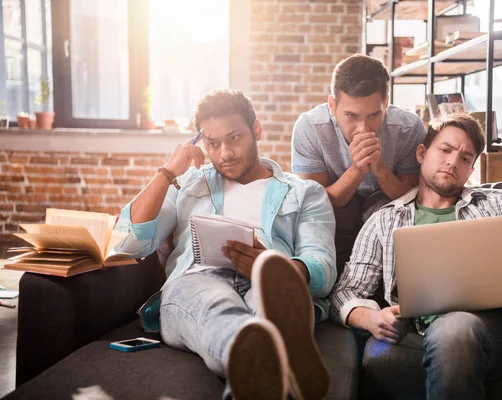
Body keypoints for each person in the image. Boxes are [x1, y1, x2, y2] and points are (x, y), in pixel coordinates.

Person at [330, 113, 502, 399]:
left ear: (471, 169)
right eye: (445, 150)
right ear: (422, 153)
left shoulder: (497, 202)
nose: (452, 162)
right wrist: (369, 318)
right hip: (461, 330)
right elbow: (345, 292)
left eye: (465, 158)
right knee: (454, 331)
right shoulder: (386, 220)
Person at [114, 89, 336, 400]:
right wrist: (167, 173)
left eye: (234, 138)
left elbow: (322, 266)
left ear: (256, 130)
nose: (225, 154)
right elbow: (129, 243)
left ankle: (261, 360)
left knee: (272, 300)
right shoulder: (188, 185)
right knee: (216, 307)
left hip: (269, 281)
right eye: (213, 143)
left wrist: (272, 265)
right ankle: (277, 356)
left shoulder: (305, 193)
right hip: (198, 279)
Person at [291, 54, 427, 268]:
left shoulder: (408, 128)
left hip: (386, 210)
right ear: (332, 105)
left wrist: (380, 169)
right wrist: (357, 169)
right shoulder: (310, 128)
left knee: (391, 209)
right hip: (334, 213)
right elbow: (314, 203)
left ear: (386, 103)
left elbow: (412, 198)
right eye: (352, 116)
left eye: (374, 115)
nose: (363, 128)